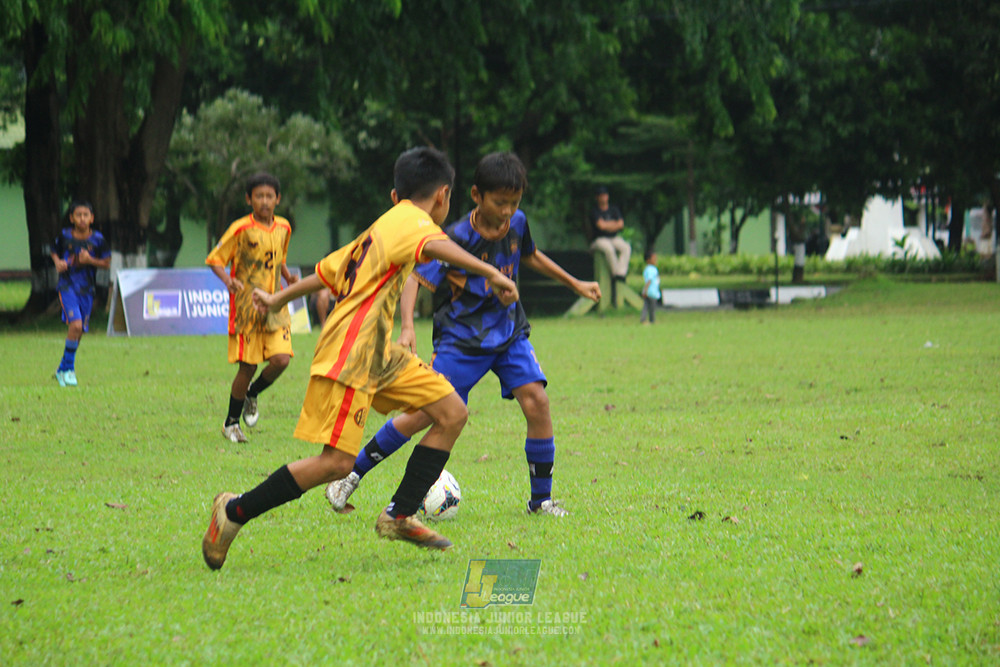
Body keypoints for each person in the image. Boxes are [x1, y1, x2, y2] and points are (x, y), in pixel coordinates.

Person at [201, 147, 519, 569]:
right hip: (353, 348)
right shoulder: (412, 221)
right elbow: (439, 247)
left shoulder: (382, 227)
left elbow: (327, 273)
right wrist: (494, 273)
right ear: (443, 196)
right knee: (336, 463)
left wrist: (278, 295)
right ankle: (234, 511)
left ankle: (398, 515)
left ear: (395, 193)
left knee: (451, 412)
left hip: (379, 348)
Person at [325, 151, 601, 518]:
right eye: (499, 202)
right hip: (460, 342)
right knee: (424, 414)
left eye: (514, 202)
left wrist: (575, 283)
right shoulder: (452, 238)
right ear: (476, 195)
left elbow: (531, 255)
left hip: (508, 334)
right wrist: (407, 327)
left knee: (537, 401)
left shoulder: (518, 223)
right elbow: (415, 279)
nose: (507, 211)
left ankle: (541, 501)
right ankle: (352, 474)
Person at [206, 172, 297, 443]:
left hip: (275, 304)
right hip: (247, 308)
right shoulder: (240, 229)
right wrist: (227, 279)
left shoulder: (284, 227)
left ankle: (253, 393)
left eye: (270, 196)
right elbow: (215, 259)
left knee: (282, 360)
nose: (265, 201)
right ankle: (231, 424)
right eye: (259, 196)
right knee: (247, 368)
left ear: (278, 199)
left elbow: (279, 257)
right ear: (249, 199)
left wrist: (287, 276)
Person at [50, 200, 111, 387]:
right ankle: (69, 370)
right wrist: (57, 262)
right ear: (71, 218)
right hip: (68, 287)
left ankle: (62, 369)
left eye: (86, 215)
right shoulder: (65, 236)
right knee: (75, 326)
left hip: (87, 290)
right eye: (78, 215)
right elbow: (54, 251)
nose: (82, 218)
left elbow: (106, 262)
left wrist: (90, 260)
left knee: (80, 332)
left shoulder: (98, 239)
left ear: (92, 218)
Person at [589, 186, 631, 289]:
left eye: (605, 195)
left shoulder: (613, 209)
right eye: (601, 196)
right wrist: (613, 224)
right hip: (599, 239)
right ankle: (615, 274)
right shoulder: (595, 211)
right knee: (608, 249)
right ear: (597, 198)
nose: (603, 197)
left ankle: (620, 274)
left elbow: (620, 224)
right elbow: (601, 226)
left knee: (626, 247)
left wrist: (607, 225)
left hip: (613, 237)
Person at [640, 249, 660, 325]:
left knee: (646, 307)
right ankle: (651, 320)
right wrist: (645, 290)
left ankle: (644, 319)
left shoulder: (649, 269)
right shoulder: (651, 269)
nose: (655, 260)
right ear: (648, 260)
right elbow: (649, 281)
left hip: (651, 291)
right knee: (651, 308)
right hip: (651, 292)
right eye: (654, 259)